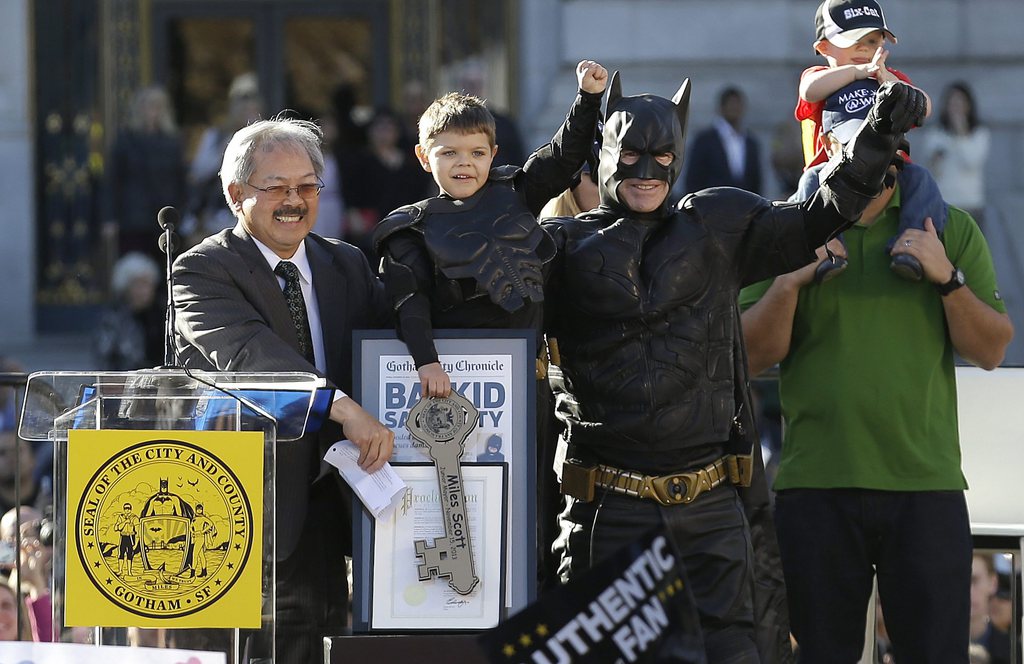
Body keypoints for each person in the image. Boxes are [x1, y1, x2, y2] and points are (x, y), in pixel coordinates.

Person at [542, 70, 927, 662]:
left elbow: (817, 218)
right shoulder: (562, 246)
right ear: (606, 155)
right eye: (633, 157)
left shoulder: (715, 225)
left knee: (735, 650)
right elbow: (494, 255)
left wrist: (876, 134)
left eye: (661, 157)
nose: (647, 174)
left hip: (709, 501)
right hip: (610, 505)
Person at [738, 88, 1013, 661]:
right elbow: (748, 357)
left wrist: (947, 279)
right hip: (816, 488)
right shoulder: (786, 232)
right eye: (850, 141)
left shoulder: (949, 227)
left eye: (875, 140)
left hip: (924, 488)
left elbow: (991, 349)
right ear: (828, 147)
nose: (863, 156)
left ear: (898, 148)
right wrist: (790, 281)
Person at [373, 60, 607, 594]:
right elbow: (409, 301)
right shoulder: (408, 227)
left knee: (537, 502)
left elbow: (562, 158)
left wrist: (588, 98)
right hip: (455, 398)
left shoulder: (516, 192)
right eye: (450, 152)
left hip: (531, 387)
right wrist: (425, 361)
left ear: (493, 155)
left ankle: (533, 609)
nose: (464, 164)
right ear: (423, 156)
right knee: (469, 506)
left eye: (477, 153)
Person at [172, 115, 393, 664]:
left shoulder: (346, 263)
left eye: (307, 187)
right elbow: (252, 356)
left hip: (342, 500)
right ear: (236, 193)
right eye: (277, 188)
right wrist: (343, 408)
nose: (294, 201)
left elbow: (389, 344)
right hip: (252, 507)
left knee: (332, 642)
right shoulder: (202, 270)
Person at [796, 0, 935, 282]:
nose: (863, 48)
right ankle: (823, 248)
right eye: (852, 40)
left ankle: (910, 245)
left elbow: (925, 106)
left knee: (921, 180)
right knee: (808, 183)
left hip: (890, 168)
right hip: (832, 171)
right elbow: (810, 92)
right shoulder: (821, 75)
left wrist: (886, 81)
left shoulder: (890, 78)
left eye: (872, 41)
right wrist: (858, 73)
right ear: (824, 48)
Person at [104, 85, 186, 261]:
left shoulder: (172, 141)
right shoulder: (126, 140)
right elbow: (113, 180)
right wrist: (110, 218)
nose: (152, 111)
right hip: (133, 218)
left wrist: (184, 214)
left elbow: (181, 180)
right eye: (148, 105)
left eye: (158, 106)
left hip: (166, 217)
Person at [186, 72, 264, 239]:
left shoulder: (267, 138)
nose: (247, 108)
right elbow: (198, 173)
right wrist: (222, 151)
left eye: (251, 102)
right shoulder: (216, 135)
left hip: (256, 213)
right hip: (219, 215)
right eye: (242, 102)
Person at [919, 81, 991, 227]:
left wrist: (960, 132)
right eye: (952, 102)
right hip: (944, 204)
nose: (956, 107)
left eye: (960, 102)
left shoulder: (979, 134)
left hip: (971, 204)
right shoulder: (936, 134)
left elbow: (971, 161)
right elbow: (933, 170)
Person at [683, 86, 763, 195]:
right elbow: (693, 178)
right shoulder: (704, 140)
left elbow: (755, 180)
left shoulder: (751, 142)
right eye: (731, 104)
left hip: (744, 207)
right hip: (711, 206)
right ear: (721, 107)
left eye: (738, 104)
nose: (735, 108)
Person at [93, 251, 164, 370]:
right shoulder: (113, 317)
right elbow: (104, 356)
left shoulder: (163, 314)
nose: (144, 291)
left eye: (148, 285)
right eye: (138, 285)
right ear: (125, 287)